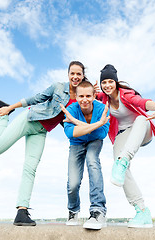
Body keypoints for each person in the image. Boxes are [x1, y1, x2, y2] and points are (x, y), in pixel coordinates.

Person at [0, 61, 88, 226]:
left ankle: (22, 211)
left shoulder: (80, 99)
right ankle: (3, 116)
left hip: (40, 132)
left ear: (83, 75)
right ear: (68, 74)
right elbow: (36, 98)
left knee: (30, 168)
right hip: (29, 119)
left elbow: (76, 119)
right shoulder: (58, 87)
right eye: (72, 73)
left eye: (79, 74)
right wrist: (10, 108)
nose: (75, 77)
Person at [97, 64, 155, 228]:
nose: (107, 85)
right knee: (119, 168)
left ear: (116, 82)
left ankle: (124, 159)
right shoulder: (102, 98)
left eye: (110, 82)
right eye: (104, 82)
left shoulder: (126, 95)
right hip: (124, 135)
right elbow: (85, 94)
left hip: (143, 130)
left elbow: (142, 102)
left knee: (141, 119)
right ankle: (142, 211)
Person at [60, 81, 110, 230]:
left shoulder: (102, 109)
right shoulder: (70, 109)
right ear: (76, 96)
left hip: (95, 142)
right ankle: (73, 211)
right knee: (73, 183)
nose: (85, 99)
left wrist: (76, 123)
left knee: (92, 161)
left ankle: (98, 211)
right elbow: (71, 133)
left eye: (88, 95)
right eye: (81, 96)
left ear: (94, 96)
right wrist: (97, 124)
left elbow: (102, 133)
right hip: (76, 143)